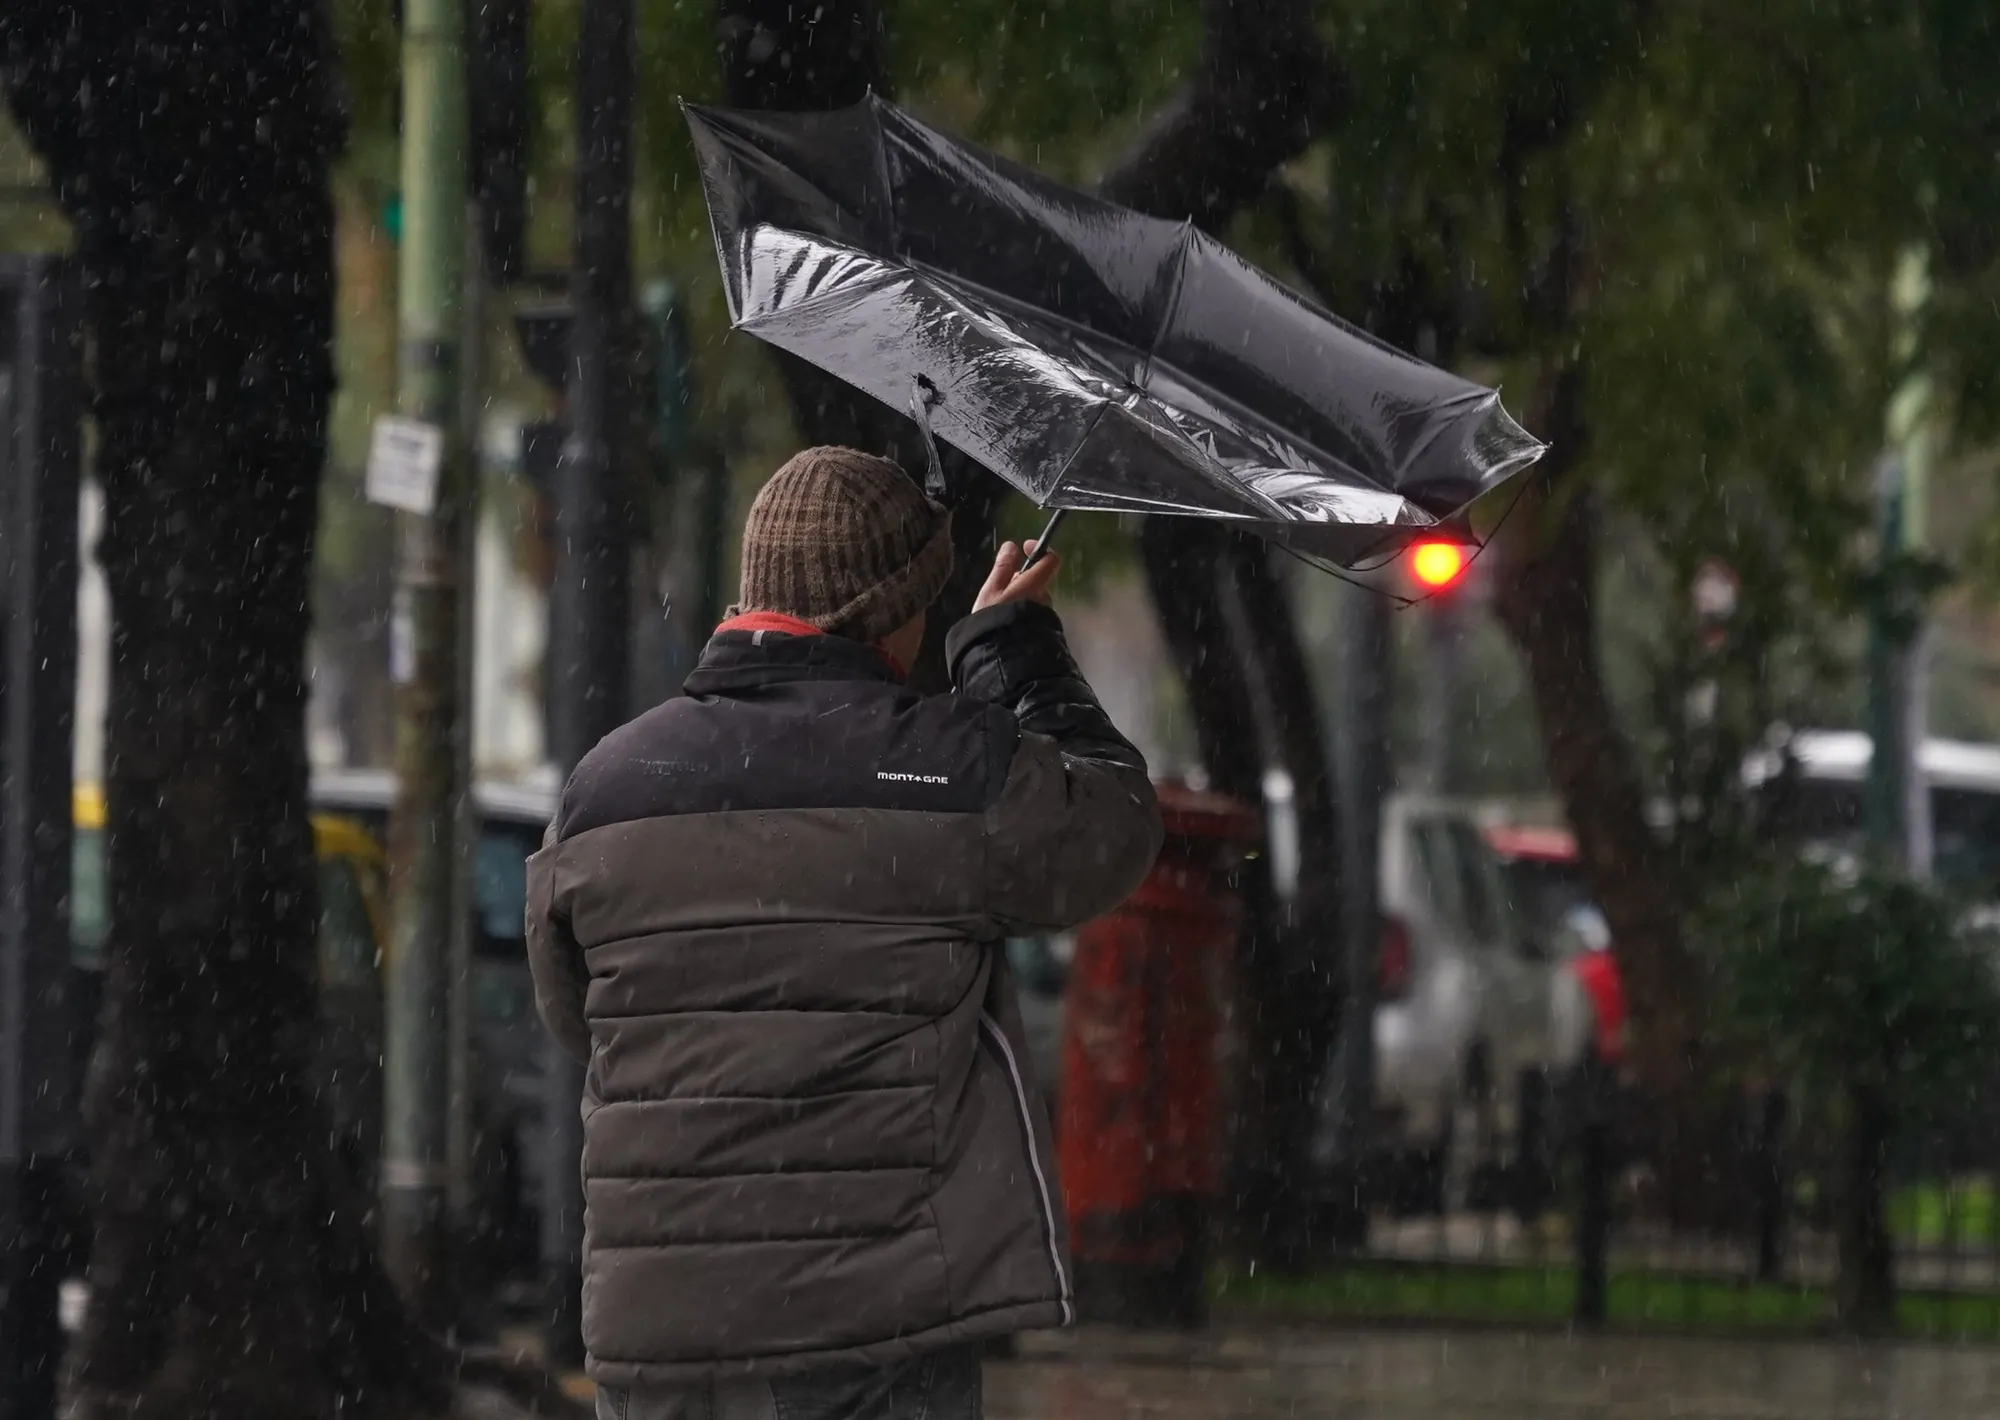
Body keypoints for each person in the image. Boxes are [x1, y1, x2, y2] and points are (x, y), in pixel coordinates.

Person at [526, 446, 1163, 1420]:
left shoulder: (603, 789)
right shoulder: (954, 774)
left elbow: (576, 1015)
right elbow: (1110, 826)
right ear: (900, 611)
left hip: (660, 1332)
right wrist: (1009, 649)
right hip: (874, 1322)